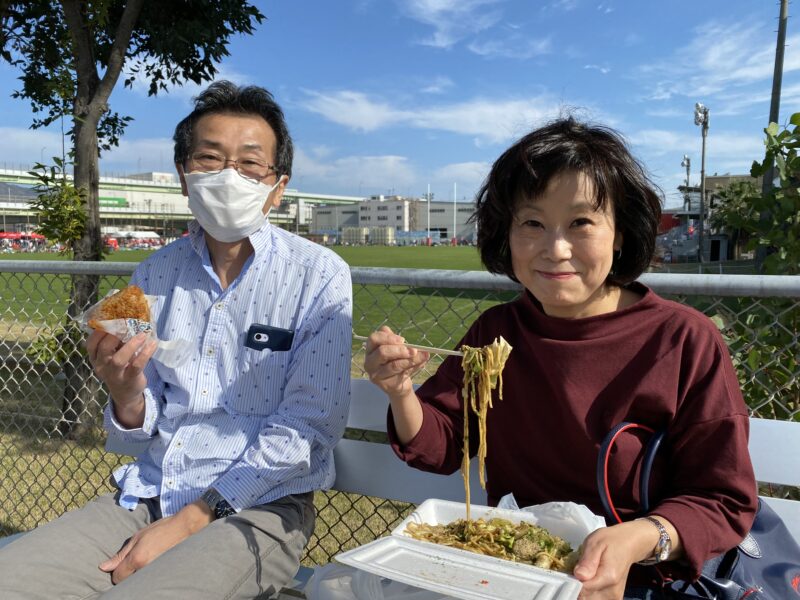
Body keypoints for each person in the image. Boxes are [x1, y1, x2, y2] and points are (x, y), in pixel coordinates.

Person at [363, 118, 757, 600]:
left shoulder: (681, 340)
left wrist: (637, 539)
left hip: (643, 582)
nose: (556, 248)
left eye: (581, 222)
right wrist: (401, 391)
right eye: (532, 223)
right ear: (506, 234)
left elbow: (723, 498)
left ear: (619, 234)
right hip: (509, 572)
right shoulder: (496, 333)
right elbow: (442, 443)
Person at [0, 81, 353, 599]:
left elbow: (308, 425)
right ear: (184, 178)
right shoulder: (155, 273)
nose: (230, 176)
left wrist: (190, 521)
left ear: (277, 187)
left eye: (250, 165)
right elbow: (141, 425)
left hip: (258, 511)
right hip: (149, 491)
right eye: (210, 159)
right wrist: (124, 393)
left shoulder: (318, 274)